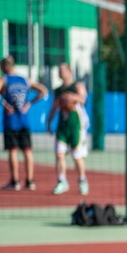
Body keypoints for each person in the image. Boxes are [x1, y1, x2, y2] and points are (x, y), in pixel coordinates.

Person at [0, 56, 48, 191]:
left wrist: (4, 104)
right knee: (27, 151)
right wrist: (29, 103)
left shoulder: (4, 79)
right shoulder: (25, 80)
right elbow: (43, 90)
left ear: (5, 67)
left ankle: (15, 181)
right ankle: (30, 181)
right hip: (24, 120)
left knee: (13, 150)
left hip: (11, 121)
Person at [46, 62, 90, 195]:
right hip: (62, 124)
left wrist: (73, 97)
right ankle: (62, 181)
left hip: (76, 124)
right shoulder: (58, 90)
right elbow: (54, 106)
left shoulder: (77, 86)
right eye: (59, 70)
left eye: (63, 70)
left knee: (76, 155)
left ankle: (82, 180)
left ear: (69, 72)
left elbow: (84, 99)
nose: (60, 72)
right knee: (59, 154)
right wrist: (49, 122)